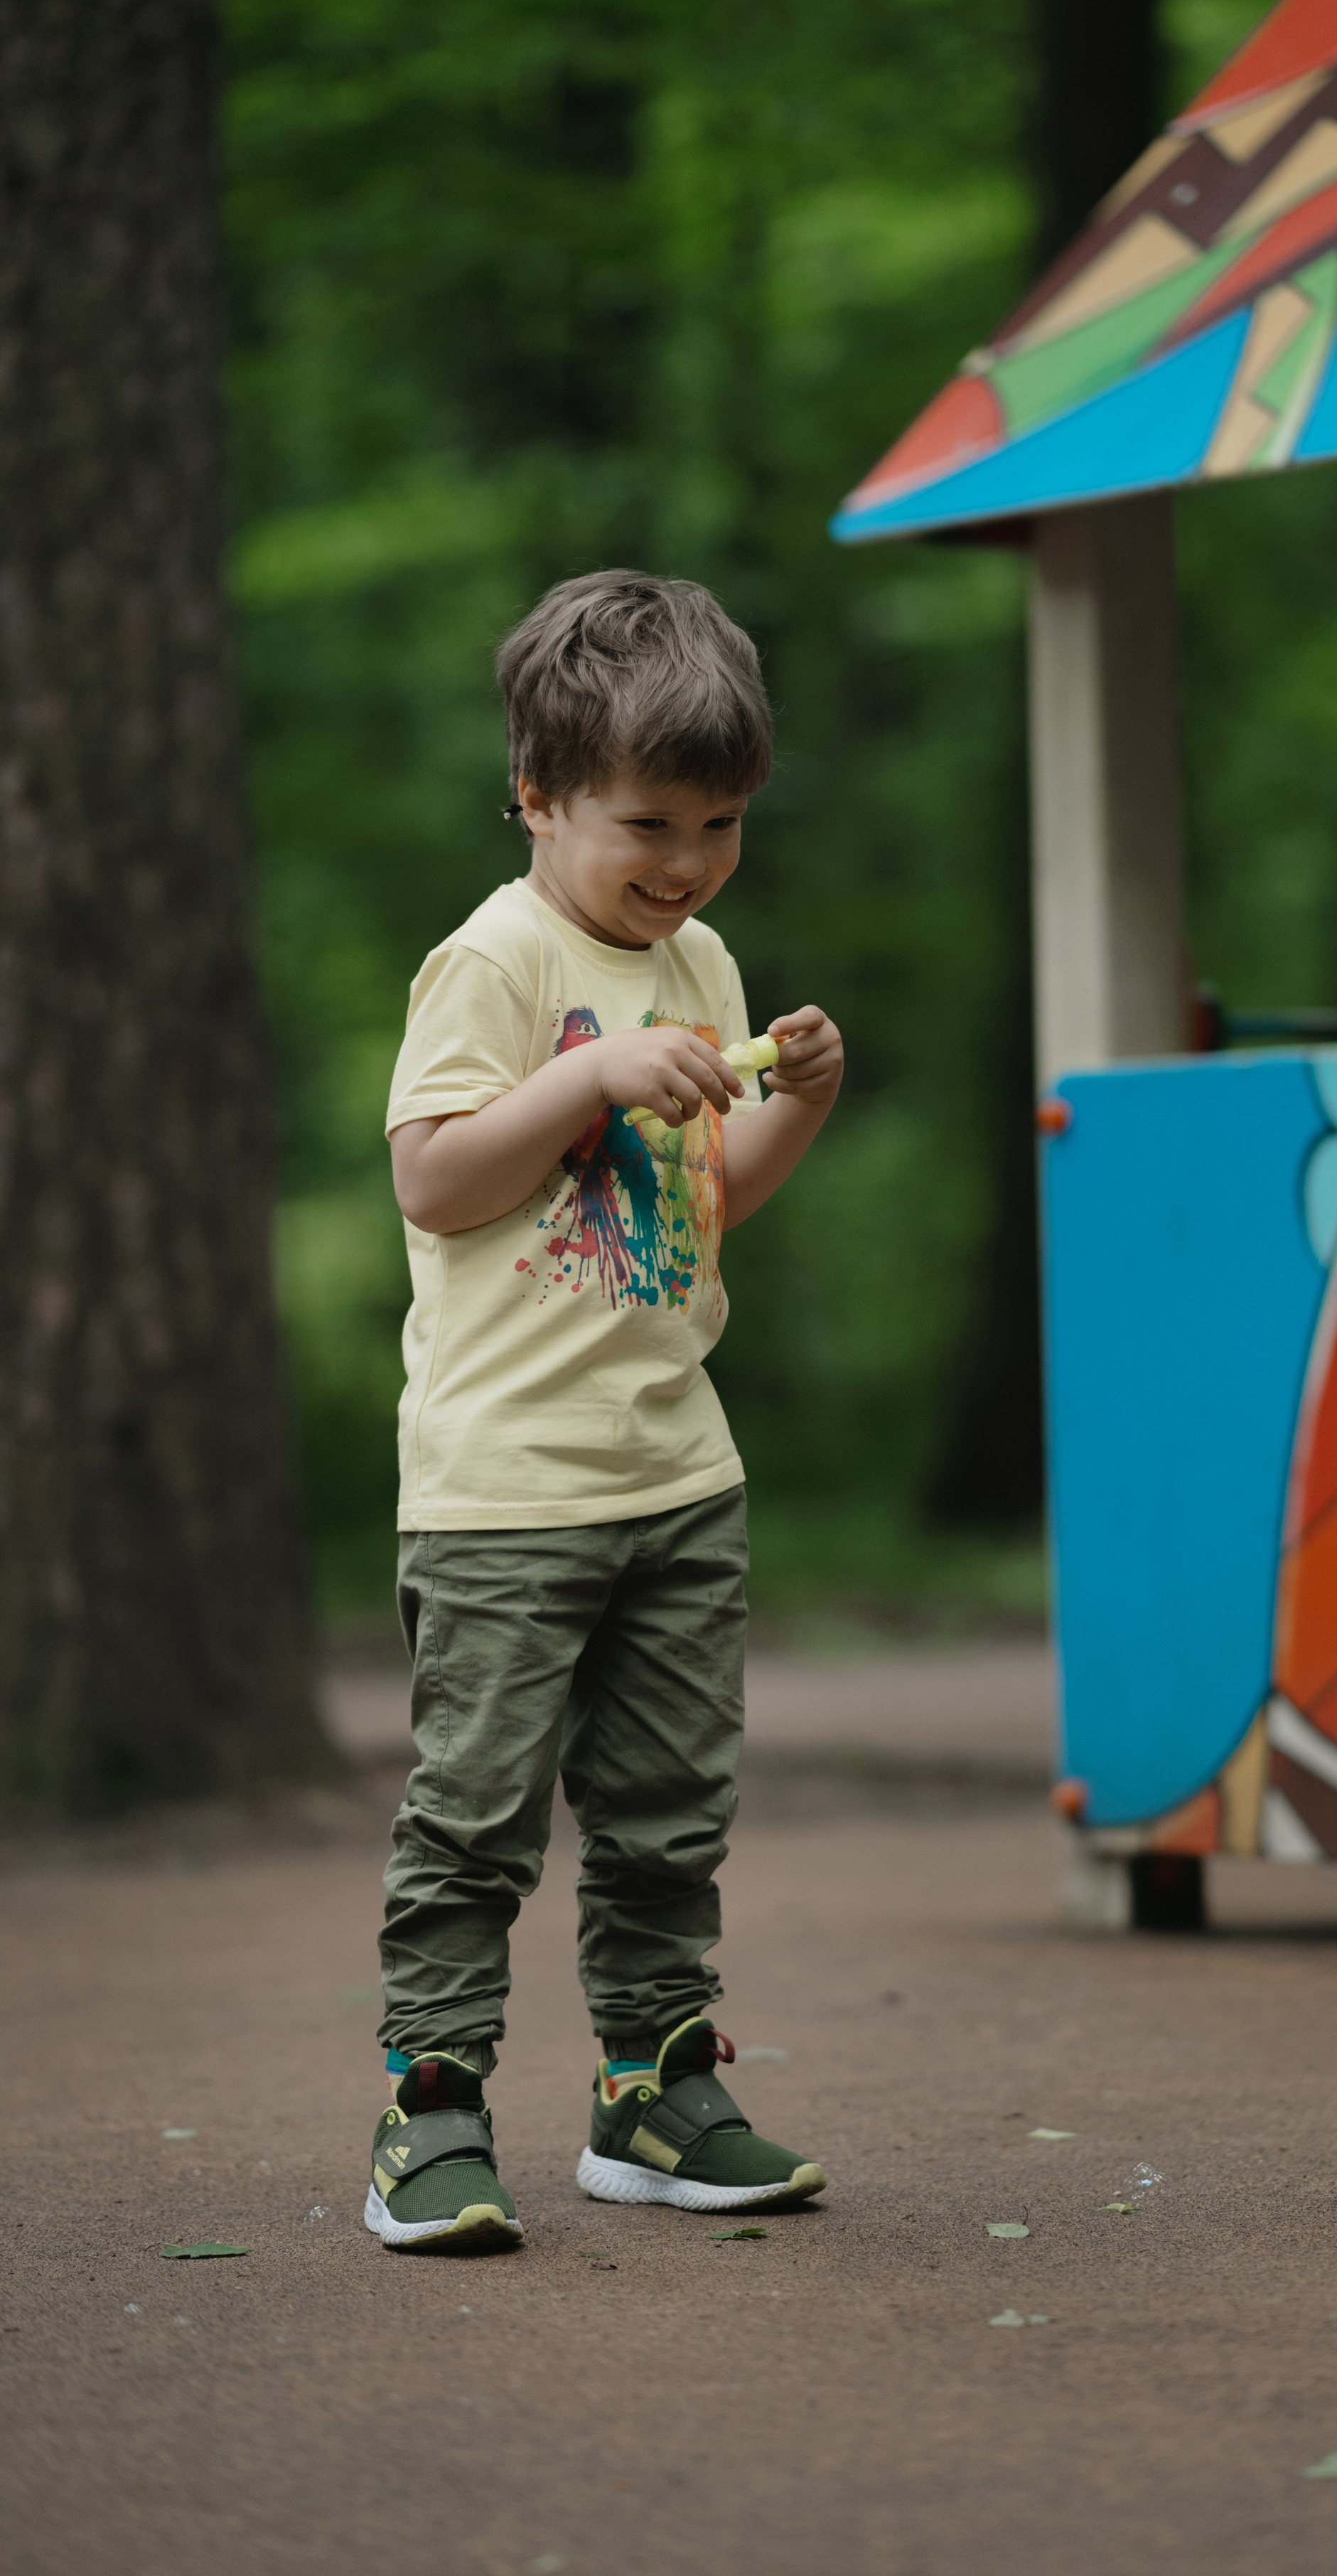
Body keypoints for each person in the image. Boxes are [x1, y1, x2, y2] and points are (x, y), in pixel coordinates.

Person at [363, 570, 843, 2252]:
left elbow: (695, 1209)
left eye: (720, 824)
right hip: (506, 1492)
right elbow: (432, 1182)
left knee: (663, 1817)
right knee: (476, 1817)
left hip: (671, 1473)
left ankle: (650, 2089)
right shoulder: (495, 960)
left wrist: (799, 1107)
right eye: (648, 820)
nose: (688, 862)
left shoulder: (695, 958)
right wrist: (582, 1075)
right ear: (538, 794)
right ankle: (428, 2109)